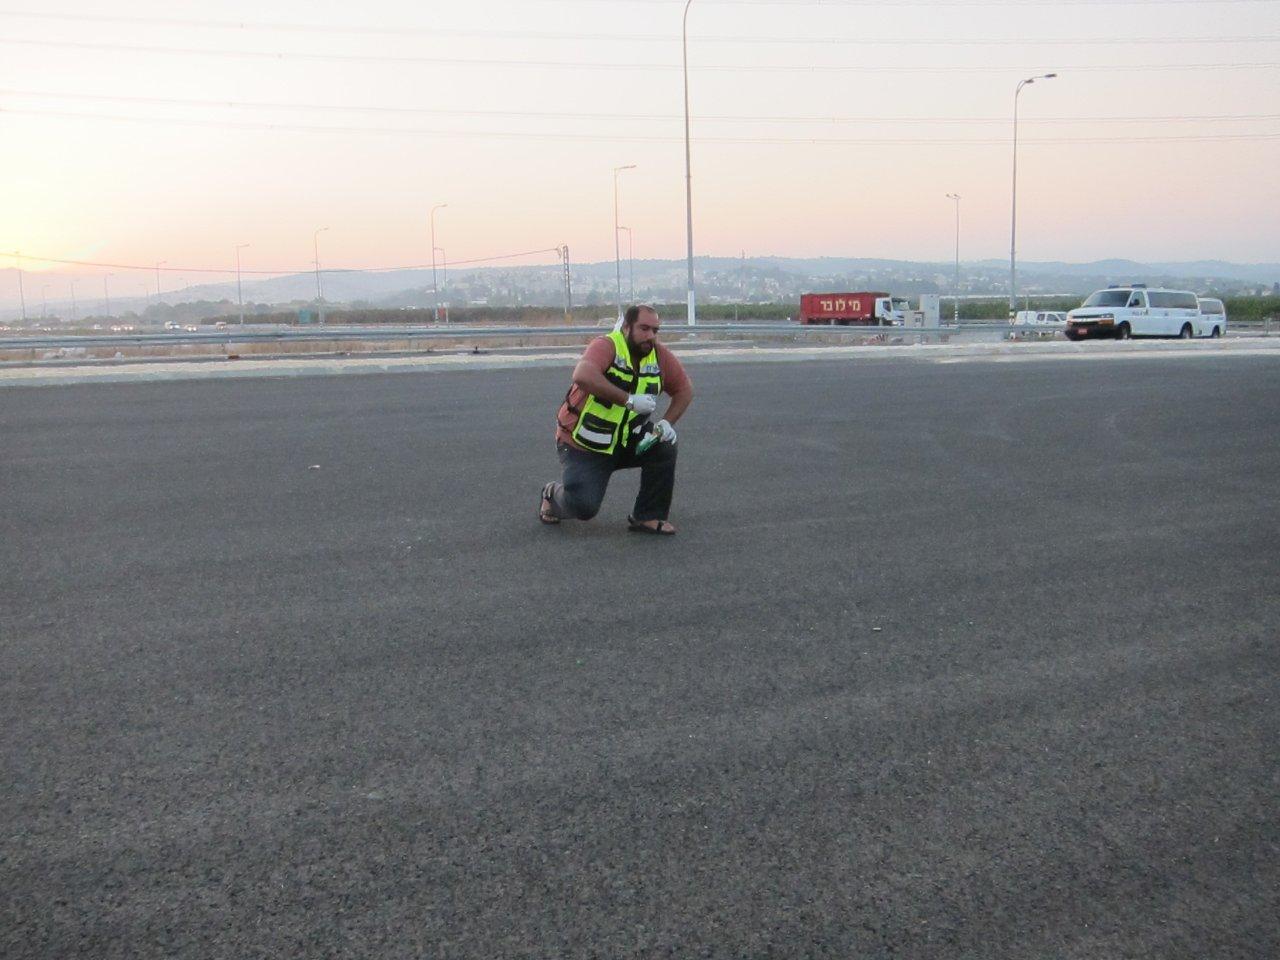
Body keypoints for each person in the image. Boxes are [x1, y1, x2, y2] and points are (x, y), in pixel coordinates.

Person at [539, 304, 693, 535]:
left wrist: (666, 423)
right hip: (583, 444)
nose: (650, 336)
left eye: (655, 330)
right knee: (584, 507)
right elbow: (582, 375)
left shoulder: (659, 355)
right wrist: (629, 400)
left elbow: (684, 390)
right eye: (643, 328)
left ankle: (648, 516)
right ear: (627, 327)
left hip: (625, 440)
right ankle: (552, 494)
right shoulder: (607, 345)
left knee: (663, 443)